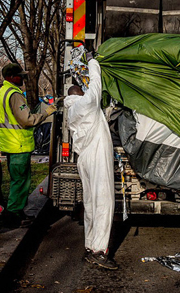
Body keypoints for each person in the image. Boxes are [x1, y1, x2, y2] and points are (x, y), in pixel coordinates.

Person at [64, 55, 117, 270]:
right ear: (78, 95)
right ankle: (99, 251)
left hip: (85, 158)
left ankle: (90, 244)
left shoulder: (71, 110)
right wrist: (94, 63)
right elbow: (95, 86)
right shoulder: (84, 104)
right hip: (96, 157)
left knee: (91, 202)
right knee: (103, 201)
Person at [0, 63, 57, 227]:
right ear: (11, 77)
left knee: (18, 181)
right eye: (19, 75)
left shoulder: (3, 92)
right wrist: (46, 113)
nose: (22, 78)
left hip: (11, 144)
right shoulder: (14, 94)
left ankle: (17, 212)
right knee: (20, 182)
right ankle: (13, 216)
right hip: (19, 145)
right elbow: (27, 120)